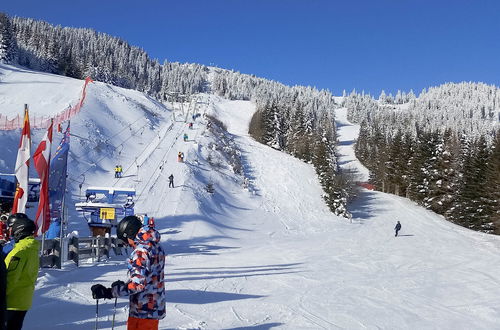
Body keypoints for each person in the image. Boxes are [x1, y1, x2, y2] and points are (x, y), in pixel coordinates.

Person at [91, 216, 165, 330]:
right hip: (152, 308)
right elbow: (148, 276)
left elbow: (137, 285)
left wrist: (109, 292)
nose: (128, 244)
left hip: (142, 311)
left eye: (126, 240)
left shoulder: (140, 252)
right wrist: (125, 285)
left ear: (130, 234)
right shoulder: (155, 246)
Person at [4, 213, 39, 330]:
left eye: (11, 228)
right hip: (23, 300)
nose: (10, 231)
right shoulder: (32, 248)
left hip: (11, 301)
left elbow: (10, 278)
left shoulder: (19, 251)